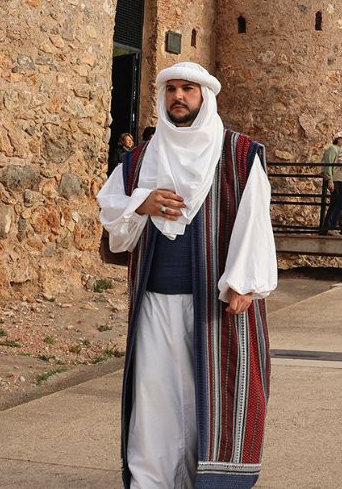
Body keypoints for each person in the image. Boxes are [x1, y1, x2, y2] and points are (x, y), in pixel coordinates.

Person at [97, 62, 276, 488]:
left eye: (188, 89)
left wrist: (245, 281)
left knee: (210, 397)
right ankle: (152, 481)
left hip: (212, 301)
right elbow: (111, 217)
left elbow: (254, 220)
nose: (179, 97)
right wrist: (142, 203)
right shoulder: (140, 159)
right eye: (172, 89)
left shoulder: (238, 153)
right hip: (155, 300)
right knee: (154, 398)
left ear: (205, 96)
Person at [319, 131, 342, 230]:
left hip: (337, 179)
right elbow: (328, 165)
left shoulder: (340, 150)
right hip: (333, 179)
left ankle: (327, 227)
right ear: (338, 139)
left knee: (335, 203)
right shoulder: (333, 149)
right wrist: (330, 179)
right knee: (337, 202)